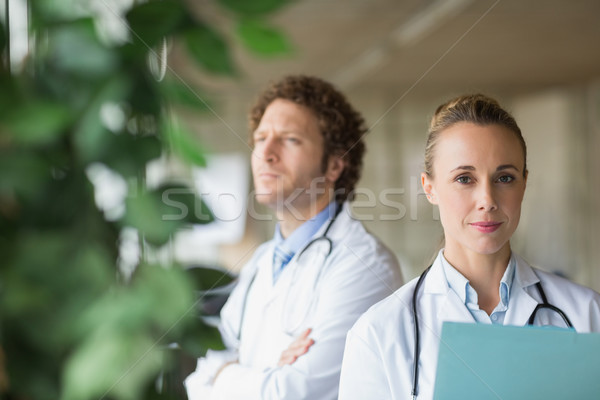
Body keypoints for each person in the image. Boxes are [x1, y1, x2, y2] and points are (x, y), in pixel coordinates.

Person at [338, 94, 600, 400]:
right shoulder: (379, 334)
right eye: (464, 178)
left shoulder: (586, 315)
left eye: (505, 177)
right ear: (429, 188)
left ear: (524, 184)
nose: (487, 200)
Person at [185, 75, 403, 400]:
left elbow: (293, 395)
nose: (266, 153)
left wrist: (226, 375)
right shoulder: (261, 262)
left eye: (289, 140)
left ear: (333, 165)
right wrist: (270, 369)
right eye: (260, 139)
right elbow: (197, 380)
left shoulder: (366, 265)